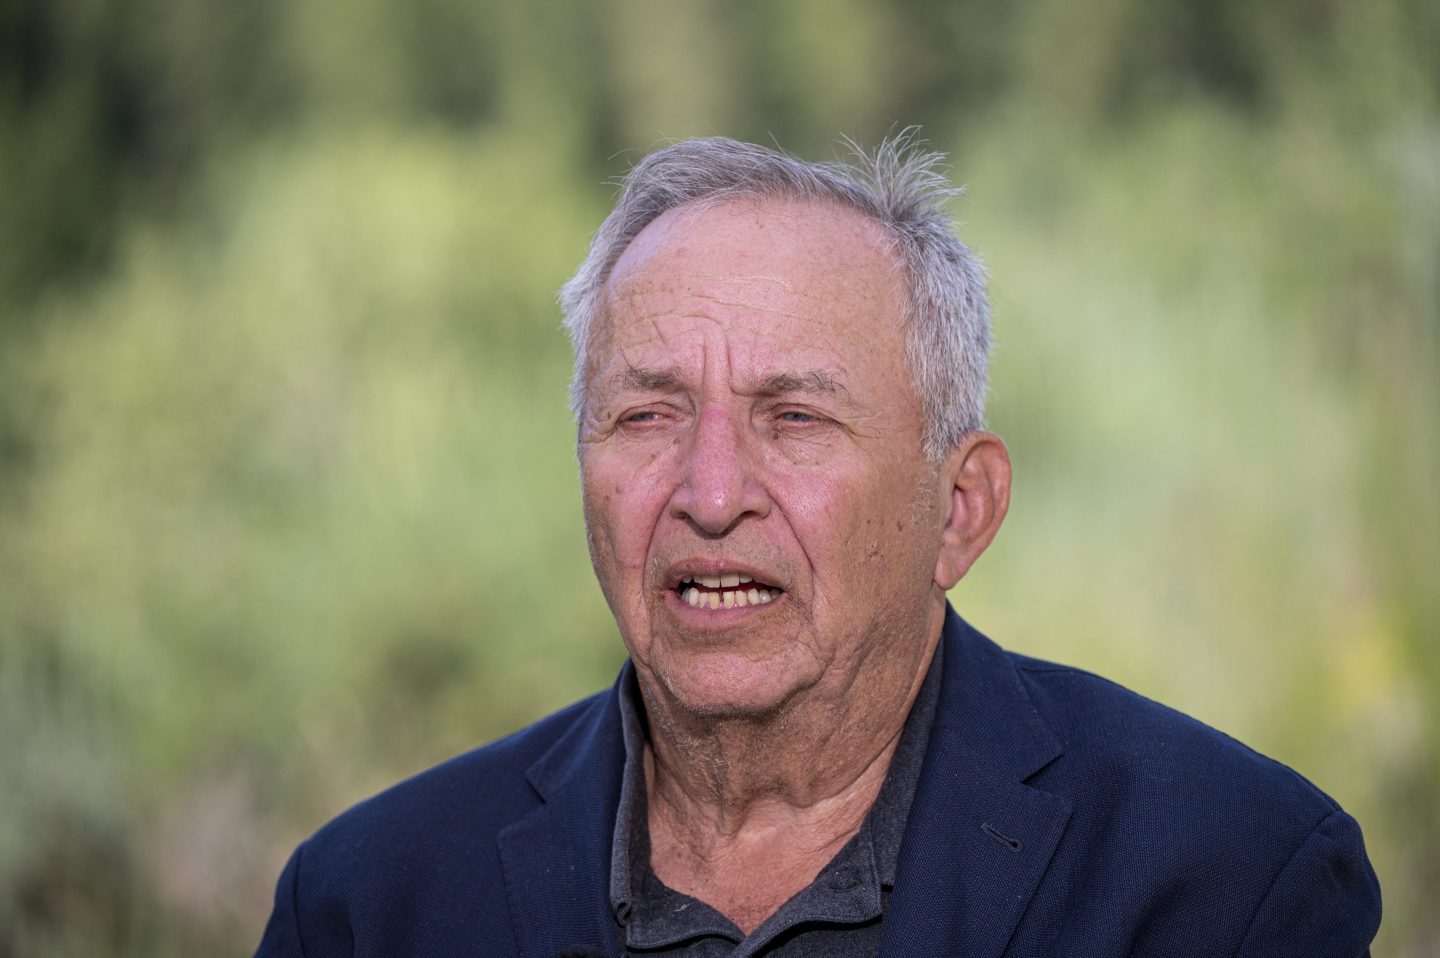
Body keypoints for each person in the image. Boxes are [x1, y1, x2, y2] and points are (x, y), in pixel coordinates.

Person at [254, 134, 1381, 957]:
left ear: (960, 508)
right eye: (646, 415)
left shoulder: (1224, 881)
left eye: (794, 418)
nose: (708, 492)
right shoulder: (370, 903)